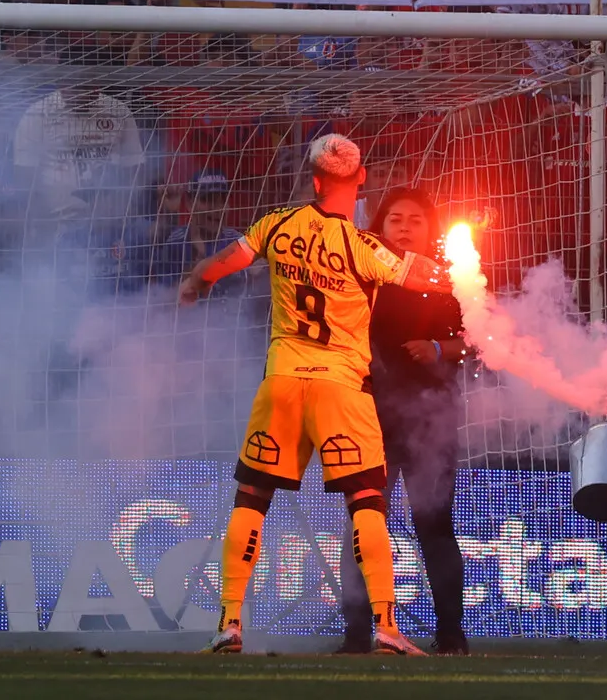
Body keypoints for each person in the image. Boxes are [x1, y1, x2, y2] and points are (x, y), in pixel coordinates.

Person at [178, 134, 455, 656]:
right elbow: (429, 278)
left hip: (282, 381)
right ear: (362, 181)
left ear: (314, 180)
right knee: (367, 502)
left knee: (252, 499)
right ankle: (386, 625)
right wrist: (459, 267)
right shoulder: (365, 246)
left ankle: (230, 623)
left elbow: (226, 262)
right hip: (342, 387)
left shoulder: (276, 224)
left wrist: (196, 281)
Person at [336, 188, 469, 655]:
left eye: (416, 218)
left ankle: (451, 635)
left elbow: (476, 341)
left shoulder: (451, 280)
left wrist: (438, 350)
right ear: (379, 225)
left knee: (433, 523)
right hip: (367, 416)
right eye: (396, 218)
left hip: (431, 418)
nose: (406, 225)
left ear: (432, 228)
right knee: (364, 523)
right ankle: (357, 634)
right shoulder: (357, 277)